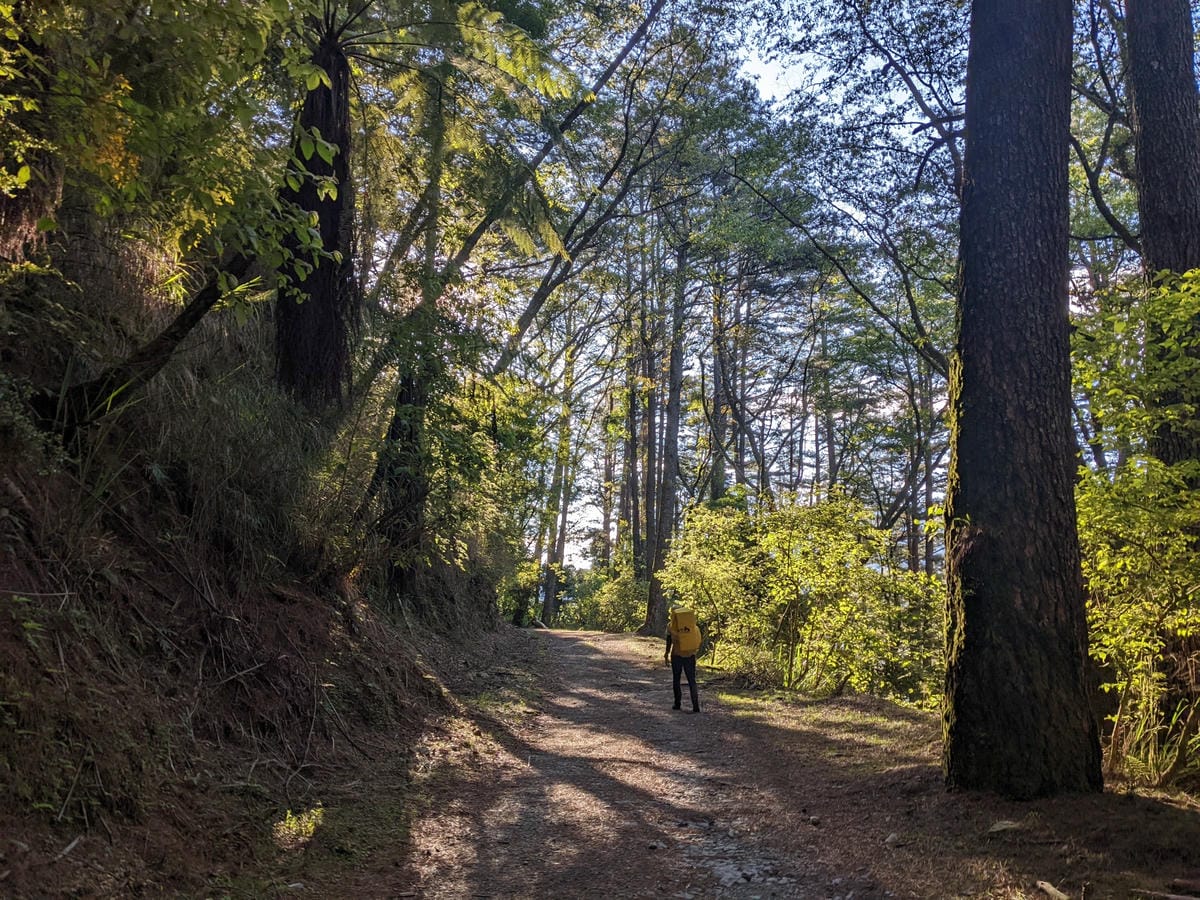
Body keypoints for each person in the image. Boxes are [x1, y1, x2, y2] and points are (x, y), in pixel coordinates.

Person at [664, 610, 701, 713]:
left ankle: (677, 704)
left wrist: (666, 653)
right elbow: (698, 640)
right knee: (692, 680)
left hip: (676, 655)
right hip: (690, 656)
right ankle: (696, 706)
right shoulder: (693, 627)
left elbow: (668, 641)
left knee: (676, 679)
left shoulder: (670, 626)